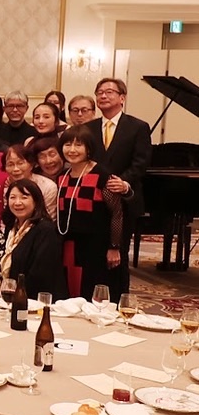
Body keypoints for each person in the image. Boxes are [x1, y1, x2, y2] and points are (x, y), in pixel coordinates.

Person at [84, 77, 152, 280]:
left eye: (109, 92)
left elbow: (141, 162)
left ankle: (118, 293)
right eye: (99, 93)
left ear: (122, 98)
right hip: (93, 198)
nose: (103, 96)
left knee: (117, 257)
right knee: (94, 253)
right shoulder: (88, 128)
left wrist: (123, 182)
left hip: (124, 199)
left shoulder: (137, 127)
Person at [58, 125, 126, 301]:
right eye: (67, 144)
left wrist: (114, 247)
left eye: (78, 145)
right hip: (69, 244)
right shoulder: (63, 176)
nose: (72, 150)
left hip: (96, 247)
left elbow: (117, 213)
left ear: (89, 148)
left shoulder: (103, 176)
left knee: (93, 294)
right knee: (71, 292)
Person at [0, 178, 67, 300]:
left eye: (24, 197)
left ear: (36, 201)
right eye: (13, 197)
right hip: (13, 297)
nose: (17, 202)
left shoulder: (45, 229)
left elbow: (41, 273)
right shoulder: (11, 228)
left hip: (38, 300)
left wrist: (19, 296)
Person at [3, 144, 58, 221]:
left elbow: (49, 217)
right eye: (10, 164)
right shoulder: (6, 185)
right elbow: (7, 216)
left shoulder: (48, 186)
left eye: (20, 163)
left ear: (31, 164)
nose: (16, 169)